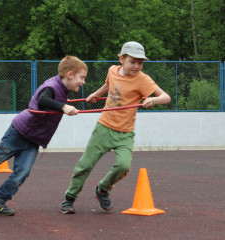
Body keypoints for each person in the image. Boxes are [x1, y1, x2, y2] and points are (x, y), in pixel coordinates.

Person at [0, 55, 87, 216]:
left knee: (22, 172)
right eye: (82, 77)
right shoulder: (51, 86)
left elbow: (52, 101)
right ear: (70, 74)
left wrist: (64, 104)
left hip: (33, 140)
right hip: (19, 132)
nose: (83, 82)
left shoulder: (62, 89)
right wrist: (63, 107)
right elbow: (43, 100)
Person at [60, 41, 171, 214]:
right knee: (85, 165)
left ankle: (103, 189)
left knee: (123, 165)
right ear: (121, 59)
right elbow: (109, 85)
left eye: (140, 62)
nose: (137, 66)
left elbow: (166, 97)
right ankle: (69, 198)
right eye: (132, 61)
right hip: (104, 127)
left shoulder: (143, 79)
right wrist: (96, 94)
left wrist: (153, 100)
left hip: (125, 133)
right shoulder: (112, 70)